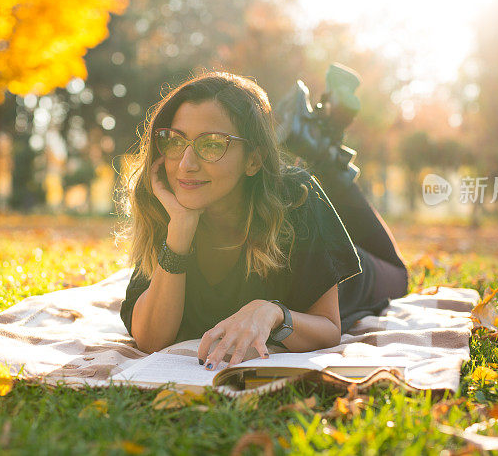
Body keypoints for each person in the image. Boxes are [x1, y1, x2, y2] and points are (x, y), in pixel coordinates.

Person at [118, 71, 408, 372]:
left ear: (253, 160)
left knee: (400, 276)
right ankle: (320, 140)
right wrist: (179, 227)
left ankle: (325, 156)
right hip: (264, 196)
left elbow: (328, 328)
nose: (186, 165)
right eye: (176, 141)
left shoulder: (295, 197)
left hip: (336, 269)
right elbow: (151, 340)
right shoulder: (165, 206)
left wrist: (275, 314)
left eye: (213, 144)